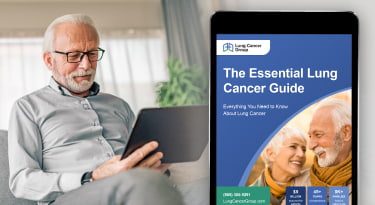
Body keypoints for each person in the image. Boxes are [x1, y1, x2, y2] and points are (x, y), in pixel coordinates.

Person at [8, 14, 185, 205]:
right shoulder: (28, 107)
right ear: (50, 61)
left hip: (136, 187)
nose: (86, 65)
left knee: (206, 187)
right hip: (73, 197)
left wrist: (155, 167)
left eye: (92, 54)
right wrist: (91, 177)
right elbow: (21, 182)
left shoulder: (119, 105)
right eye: (74, 56)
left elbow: (136, 156)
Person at [304, 98, 353, 202]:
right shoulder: (297, 183)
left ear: (346, 133)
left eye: (318, 135)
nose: (311, 146)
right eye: (310, 136)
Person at [249, 126, 309, 205]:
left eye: (304, 150)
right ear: (271, 154)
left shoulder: (312, 185)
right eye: (293, 147)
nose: (301, 154)